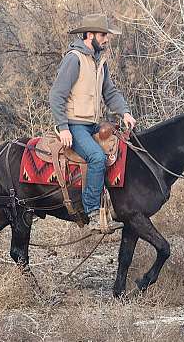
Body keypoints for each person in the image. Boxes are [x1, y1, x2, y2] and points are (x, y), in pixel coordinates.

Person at [49, 13, 136, 224]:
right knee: (97, 157)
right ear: (89, 35)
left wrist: (124, 112)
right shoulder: (74, 59)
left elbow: (110, 92)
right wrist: (63, 128)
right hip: (75, 125)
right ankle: (92, 211)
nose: (106, 39)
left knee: (122, 148)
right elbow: (56, 94)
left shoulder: (99, 61)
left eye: (106, 35)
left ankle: (115, 206)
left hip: (93, 125)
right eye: (103, 35)